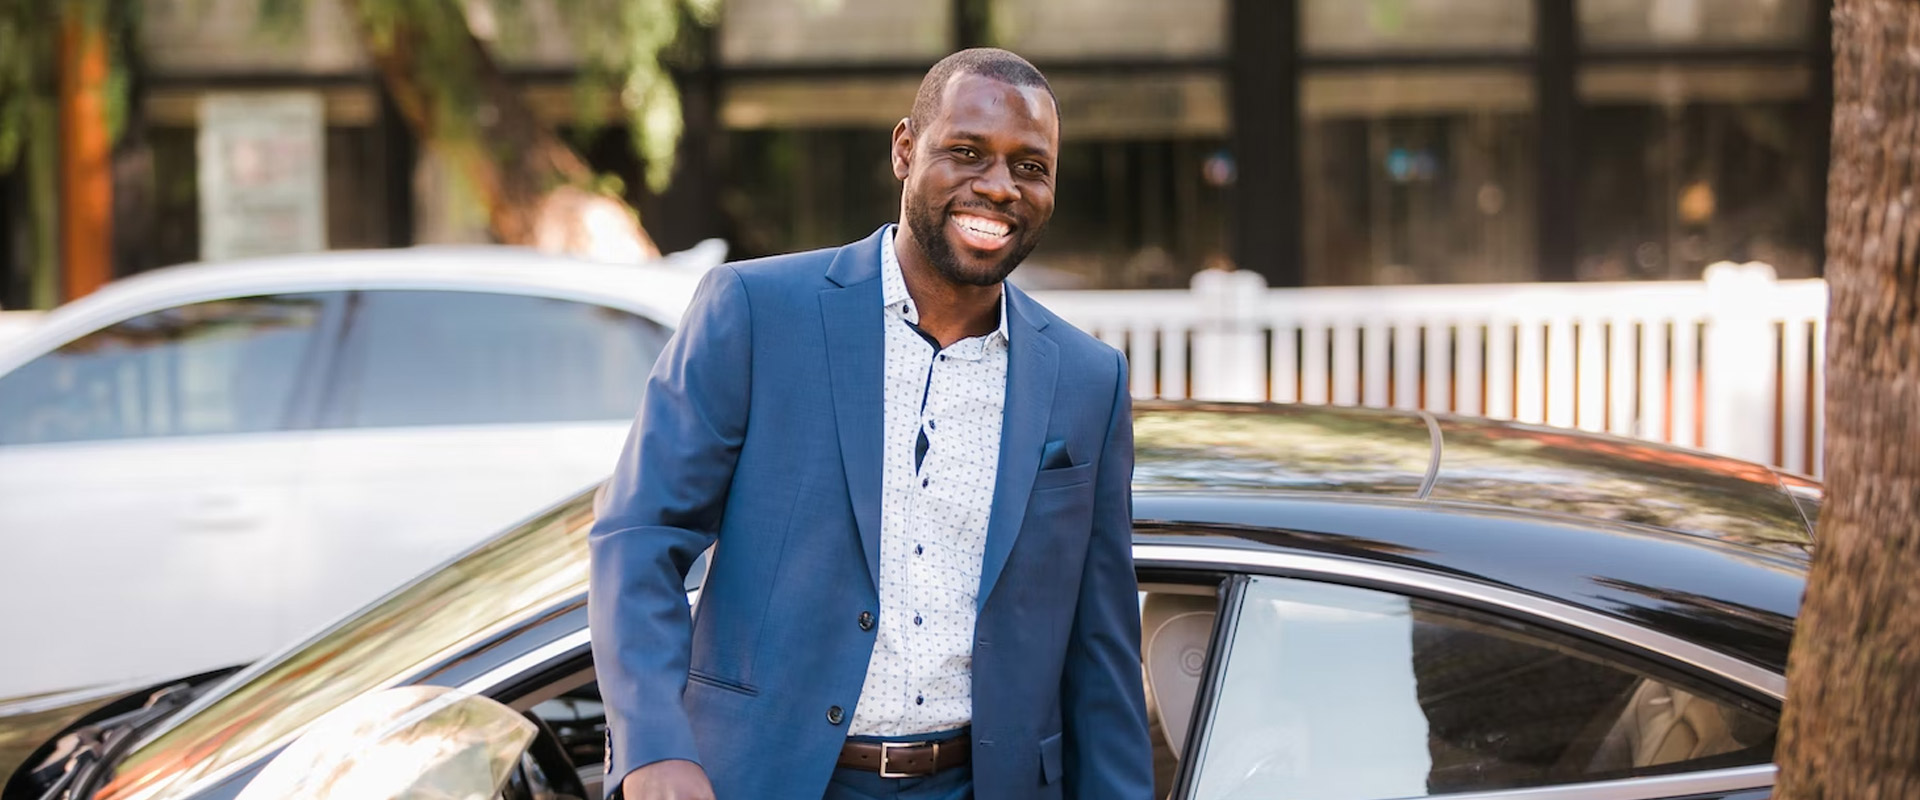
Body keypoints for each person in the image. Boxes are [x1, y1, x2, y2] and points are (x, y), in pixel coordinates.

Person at [588, 47, 1151, 800]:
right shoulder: (756, 313)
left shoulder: (1089, 382)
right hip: (763, 780)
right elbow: (640, 536)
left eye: (1030, 167)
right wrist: (654, 748)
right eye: (966, 151)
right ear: (905, 150)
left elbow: (1102, 650)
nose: (998, 186)